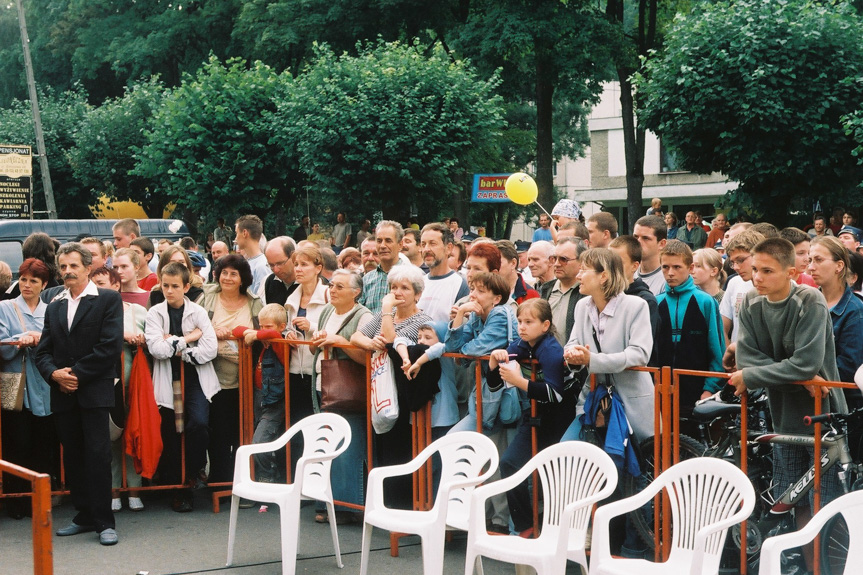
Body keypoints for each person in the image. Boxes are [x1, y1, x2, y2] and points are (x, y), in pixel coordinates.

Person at [730, 237, 846, 572]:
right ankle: (808, 565)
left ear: (791, 272)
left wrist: (754, 375)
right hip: (783, 413)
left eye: (767, 270)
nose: (757, 277)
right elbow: (746, 354)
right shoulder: (751, 302)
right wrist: (786, 372)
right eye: (754, 269)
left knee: (824, 499)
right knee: (792, 496)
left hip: (822, 414)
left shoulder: (809, 300)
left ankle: (827, 567)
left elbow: (807, 362)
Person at [35, 242, 123, 545]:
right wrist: (53, 374)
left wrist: (75, 375)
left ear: (88, 267)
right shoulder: (55, 304)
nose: (68, 271)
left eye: (74, 266)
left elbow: (109, 347)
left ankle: (104, 522)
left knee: (97, 456)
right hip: (63, 393)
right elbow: (43, 351)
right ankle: (84, 515)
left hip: (93, 392)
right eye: (63, 267)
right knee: (73, 457)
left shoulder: (108, 300)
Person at [491, 299, 576, 537]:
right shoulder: (520, 345)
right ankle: (525, 526)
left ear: (545, 325)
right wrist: (493, 361)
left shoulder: (551, 350)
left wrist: (519, 381)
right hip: (534, 416)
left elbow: (556, 394)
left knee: (555, 476)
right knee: (509, 463)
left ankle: (559, 532)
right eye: (519, 321)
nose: (522, 327)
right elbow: (494, 384)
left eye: (529, 322)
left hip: (559, 419)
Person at [351, 265, 433, 508]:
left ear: (417, 294)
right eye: (394, 287)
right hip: (380, 387)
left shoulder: (422, 319)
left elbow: (390, 341)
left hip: (404, 391)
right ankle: (385, 505)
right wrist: (369, 342)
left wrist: (386, 312)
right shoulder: (384, 315)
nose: (397, 292)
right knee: (382, 446)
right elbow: (356, 336)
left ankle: (400, 506)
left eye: (404, 288)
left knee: (400, 448)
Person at [562, 248, 655, 444]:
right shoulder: (581, 306)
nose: (578, 275)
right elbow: (572, 344)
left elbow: (640, 354)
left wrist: (592, 360)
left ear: (603, 276)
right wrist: (573, 355)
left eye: (584, 270)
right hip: (594, 400)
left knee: (628, 466)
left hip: (631, 403)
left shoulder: (636, 306)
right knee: (568, 450)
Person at [147, 262, 219, 512]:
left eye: (175, 286)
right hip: (168, 379)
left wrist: (176, 347)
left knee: (198, 424)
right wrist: (188, 339)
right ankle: (179, 489)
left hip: (195, 378)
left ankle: (193, 472)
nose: (169, 291)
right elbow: (156, 349)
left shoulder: (198, 312)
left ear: (187, 287)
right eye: (165, 285)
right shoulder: (155, 313)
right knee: (172, 432)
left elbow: (210, 350)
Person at [309, 269, 373, 523]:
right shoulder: (326, 310)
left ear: (356, 292)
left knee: (348, 447)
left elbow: (366, 357)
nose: (332, 290)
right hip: (323, 383)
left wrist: (339, 342)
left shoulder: (363, 315)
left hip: (348, 388)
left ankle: (348, 506)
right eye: (331, 285)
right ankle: (325, 502)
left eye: (339, 286)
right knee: (325, 443)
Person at [196, 254, 263, 483]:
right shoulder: (206, 298)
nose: (227, 277)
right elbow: (191, 326)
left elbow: (263, 332)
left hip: (244, 379)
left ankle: (241, 483)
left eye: (233, 273)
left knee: (242, 432)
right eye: (224, 272)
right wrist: (211, 331)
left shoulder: (254, 302)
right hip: (213, 377)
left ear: (243, 278)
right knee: (218, 433)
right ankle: (220, 483)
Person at [0, 258, 55, 519]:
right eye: (23, 279)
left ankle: (41, 499)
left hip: (44, 384)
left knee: (43, 443)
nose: (27, 285)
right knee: (16, 442)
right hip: (16, 383)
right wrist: (19, 341)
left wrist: (37, 338)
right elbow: (2, 346)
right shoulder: (5, 307)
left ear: (44, 284)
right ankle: (17, 501)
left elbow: (59, 341)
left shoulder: (52, 310)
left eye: (33, 280)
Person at [89, 266, 147, 513]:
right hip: (105, 383)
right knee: (110, 437)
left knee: (135, 433)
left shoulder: (138, 311)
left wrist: (141, 338)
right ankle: (113, 490)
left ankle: (134, 489)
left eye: (102, 283)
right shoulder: (88, 312)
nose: (97, 289)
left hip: (135, 382)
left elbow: (153, 339)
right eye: (94, 284)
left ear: (116, 285)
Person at [655, 240, 725, 409]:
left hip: (697, 390)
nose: (670, 273)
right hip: (661, 390)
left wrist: (710, 388)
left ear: (691, 268)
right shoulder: (656, 302)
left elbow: (717, 349)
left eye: (677, 267)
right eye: (665, 267)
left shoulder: (705, 302)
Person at [234, 304, 292, 486]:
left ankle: (268, 474)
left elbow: (275, 336)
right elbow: (236, 330)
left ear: (282, 326)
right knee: (254, 440)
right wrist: (254, 333)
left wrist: (257, 335)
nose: (263, 330)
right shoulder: (264, 337)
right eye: (261, 326)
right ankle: (263, 476)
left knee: (259, 442)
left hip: (275, 402)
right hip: (259, 397)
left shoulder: (280, 344)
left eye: (268, 326)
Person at [808, 236, 863, 408]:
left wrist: (808, 376)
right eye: (809, 260)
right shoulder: (805, 303)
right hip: (806, 399)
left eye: (818, 260)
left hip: (841, 406)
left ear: (839, 266)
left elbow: (848, 365)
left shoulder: (855, 310)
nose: (810, 267)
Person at [283, 243, 330, 429]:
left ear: (318, 268)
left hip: (319, 370)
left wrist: (312, 327)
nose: (298, 269)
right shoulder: (291, 299)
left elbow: (336, 327)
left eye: (304, 264)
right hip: (295, 369)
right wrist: (288, 335)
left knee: (318, 424)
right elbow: (287, 327)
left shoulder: (328, 295)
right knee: (297, 424)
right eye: (296, 264)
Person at [720, 230, 765, 369]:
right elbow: (723, 326)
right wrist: (731, 354)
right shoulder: (734, 283)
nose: (736, 267)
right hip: (739, 364)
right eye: (733, 262)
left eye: (741, 260)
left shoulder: (779, 287)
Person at [416, 222, 469, 323]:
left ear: (448, 248)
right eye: (423, 244)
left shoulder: (461, 284)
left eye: (432, 243)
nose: (427, 249)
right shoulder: (418, 283)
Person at [540, 237, 587, 346]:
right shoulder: (546, 289)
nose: (556, 264)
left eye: (563, 259)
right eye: (554, 258)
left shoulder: (586, 293)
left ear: (581, 261)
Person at [360, 220, 405, 314]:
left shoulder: (412, 276)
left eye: (388, 241)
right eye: (379, 241)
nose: (383, 246)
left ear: (400, 245)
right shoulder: (367, 279)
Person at [632, 215, 668, 296]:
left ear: (662, 244)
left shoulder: (669, 279)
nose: (638, 242)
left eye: (645, 238)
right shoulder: (627, 274)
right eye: (635, 237)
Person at [496, 240, 538, 306]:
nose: (494, 267)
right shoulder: (488, 293)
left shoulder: (530, 295)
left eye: (498, 262)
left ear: (513, 263)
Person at [234, 214, 269, 295]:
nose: (235, 238)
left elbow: (260, 301)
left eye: (236, 233)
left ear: (244, 233)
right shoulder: (248, 262)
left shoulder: (261, 266)